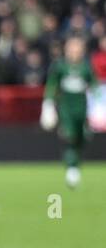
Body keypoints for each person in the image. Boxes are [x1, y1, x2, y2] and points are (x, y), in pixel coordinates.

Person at [40, 36, 94, 188]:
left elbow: (94, 86)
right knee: (69, 136)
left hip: (82, 109)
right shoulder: (60, 67)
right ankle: (71, 168)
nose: (75, 52)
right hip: (66, 109)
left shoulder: (86, 67)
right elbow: (51, 85)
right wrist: (48, 104)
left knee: (81, 137)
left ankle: (75, 165)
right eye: (72, 48)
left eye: (77, 49)